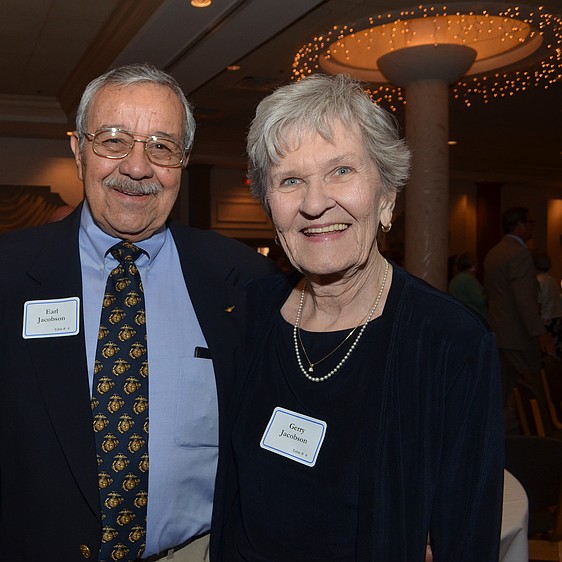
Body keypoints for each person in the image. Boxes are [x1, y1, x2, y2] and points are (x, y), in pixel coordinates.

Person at [0, 63, 275, 561]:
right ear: (78, 151)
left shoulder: (243, 279)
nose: (137, 167)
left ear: (182, 160)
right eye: (113, 140)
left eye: (161, 146)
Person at [212, 74, 503, 561]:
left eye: (341, 171)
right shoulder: (253, 313)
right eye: (289, 180)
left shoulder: (449, 341)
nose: (314, 203)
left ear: (386, 195)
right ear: (270, 206)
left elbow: (465, 538)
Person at [484, 207, 554, 405]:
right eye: (530, 223)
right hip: (518, 334)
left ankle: (504, 434)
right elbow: (524, 299)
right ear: (520, 225)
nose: (532, 228)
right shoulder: (519, 253)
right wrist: (540, 333)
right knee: (533, 390)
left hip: (498, 331)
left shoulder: (494, 252)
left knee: (504, 392)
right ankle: (538, 431)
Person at [534, 250, 562, 358]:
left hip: (545, 323)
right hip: (556, 322)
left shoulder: (538, 281)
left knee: (545, 358)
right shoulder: (552, 280)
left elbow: (538, 306)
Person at [448, 251, 487, 321]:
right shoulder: (469, 280)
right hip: (473, 316)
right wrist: (489, 294)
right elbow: (479, 301)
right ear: (473, 265)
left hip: (458, 315)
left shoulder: (454, 280)